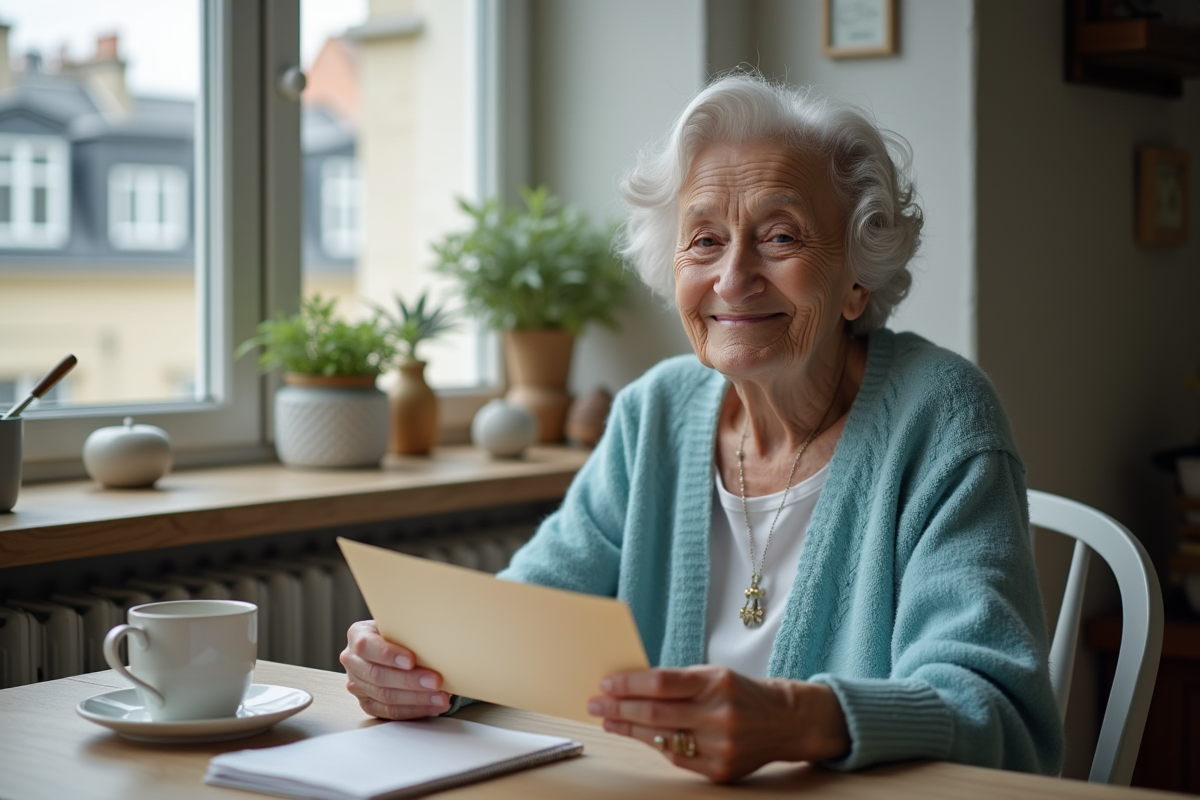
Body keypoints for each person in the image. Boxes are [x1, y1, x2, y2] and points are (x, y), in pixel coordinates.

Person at [340, 73, 1064, 783]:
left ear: (856, 278)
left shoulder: (942, 417)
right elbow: (527, 615)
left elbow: (995, 710)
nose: (733, 277)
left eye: (780, 236)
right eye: (706, 240)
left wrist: (798, 719)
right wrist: (418, 665)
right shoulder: (654, 411)